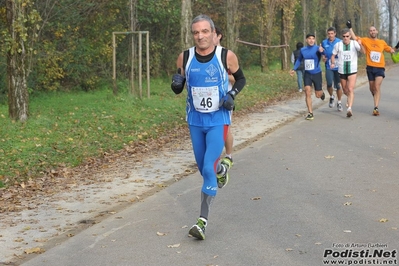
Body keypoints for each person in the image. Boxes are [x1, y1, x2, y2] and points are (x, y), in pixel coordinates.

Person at [171, 15, 246, 240]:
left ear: (213, 33)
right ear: (192, 34)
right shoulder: (185, 57)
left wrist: (232, 95)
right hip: (195, 120)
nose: (200, 36)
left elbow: (241, 80)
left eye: (205, 31)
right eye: (196, 32)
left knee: (207, 168)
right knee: (203, 166)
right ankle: (222, 170)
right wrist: (176, 84)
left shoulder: (226, 56)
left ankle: (202, 222)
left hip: (218, 120)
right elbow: (178, 85)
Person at [346, 20, 395, 116]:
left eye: (374, 30)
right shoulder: (365, 40)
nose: (372, 32)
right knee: (372, 88)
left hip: (380, 68)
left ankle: (375, 108)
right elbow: (355, 38)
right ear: (369, 33)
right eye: (371, 31)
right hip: (370, 68)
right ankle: (376, 97)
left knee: (377, 87)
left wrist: (392, 50)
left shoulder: (382, 42)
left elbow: (389, 49)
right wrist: (350, 28)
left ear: (377, 32)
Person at [290, 33, 325, 120]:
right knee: (307, 92)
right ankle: (310, 113)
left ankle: (321, 93)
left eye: (313, 39)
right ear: (306, 40)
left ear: (315, 40)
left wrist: (322, 51)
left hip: (317, 73)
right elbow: (299, 60)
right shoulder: (303, 50)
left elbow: (325, 55)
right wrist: (294, 69)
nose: (311, 40)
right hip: (307, 74)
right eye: (309, 38)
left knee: (318, 95)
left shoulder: (318, 48)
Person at [214, 26, 235, 165]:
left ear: (219, 36)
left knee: (224, 127)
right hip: (208, 98)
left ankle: (228, 155)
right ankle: (213, 156)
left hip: (225, 97)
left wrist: (222, 77)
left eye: (212, 34)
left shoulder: (226, 55)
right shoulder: (201, 55)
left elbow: (237, 78)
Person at [330, 28, 361, 117]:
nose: (345, 38)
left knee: (350, 89)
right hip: (342, 70)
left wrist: (360, 44)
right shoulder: (338, 45)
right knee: (345, 89)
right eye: (344, 36)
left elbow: (362, 51)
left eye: (347, 36)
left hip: (352, 70)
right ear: (342, 37)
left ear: (350, 36)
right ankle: (348, 98)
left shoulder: (354, 43)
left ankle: (349, 109)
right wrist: (332, 63)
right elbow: (333, 55)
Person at [321, 27, 343, 111]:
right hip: (329, 66)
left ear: (335, 33)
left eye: (332, 33)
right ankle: (331, 96)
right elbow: (323, 53)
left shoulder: (340, 42)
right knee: (329, 83)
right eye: (329, 34)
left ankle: (339, 102)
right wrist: (323, 57)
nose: (330, 35)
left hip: (338, 66)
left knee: (338, 85)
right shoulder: (324, 42)